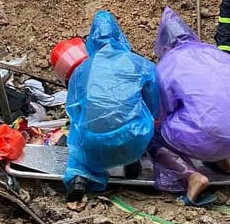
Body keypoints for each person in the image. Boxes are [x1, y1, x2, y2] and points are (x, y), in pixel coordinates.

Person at [154, 7, 230, 206]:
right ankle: (224, 163)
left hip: (213, 135)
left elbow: (164, 108)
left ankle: (192, 177)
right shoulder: (216, 54)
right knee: (217, 111)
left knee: (154, 131)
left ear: (164, 44)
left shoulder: (168, 64)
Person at [57, 11, 159, 200]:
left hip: (94, 144)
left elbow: (74, 111)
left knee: (78, 133)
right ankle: (132, 162)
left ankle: (79, 176)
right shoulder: (139, 63)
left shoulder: (81, 70)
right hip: (134, 138)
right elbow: (154, 102)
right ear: (119, 35)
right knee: (140, 117)